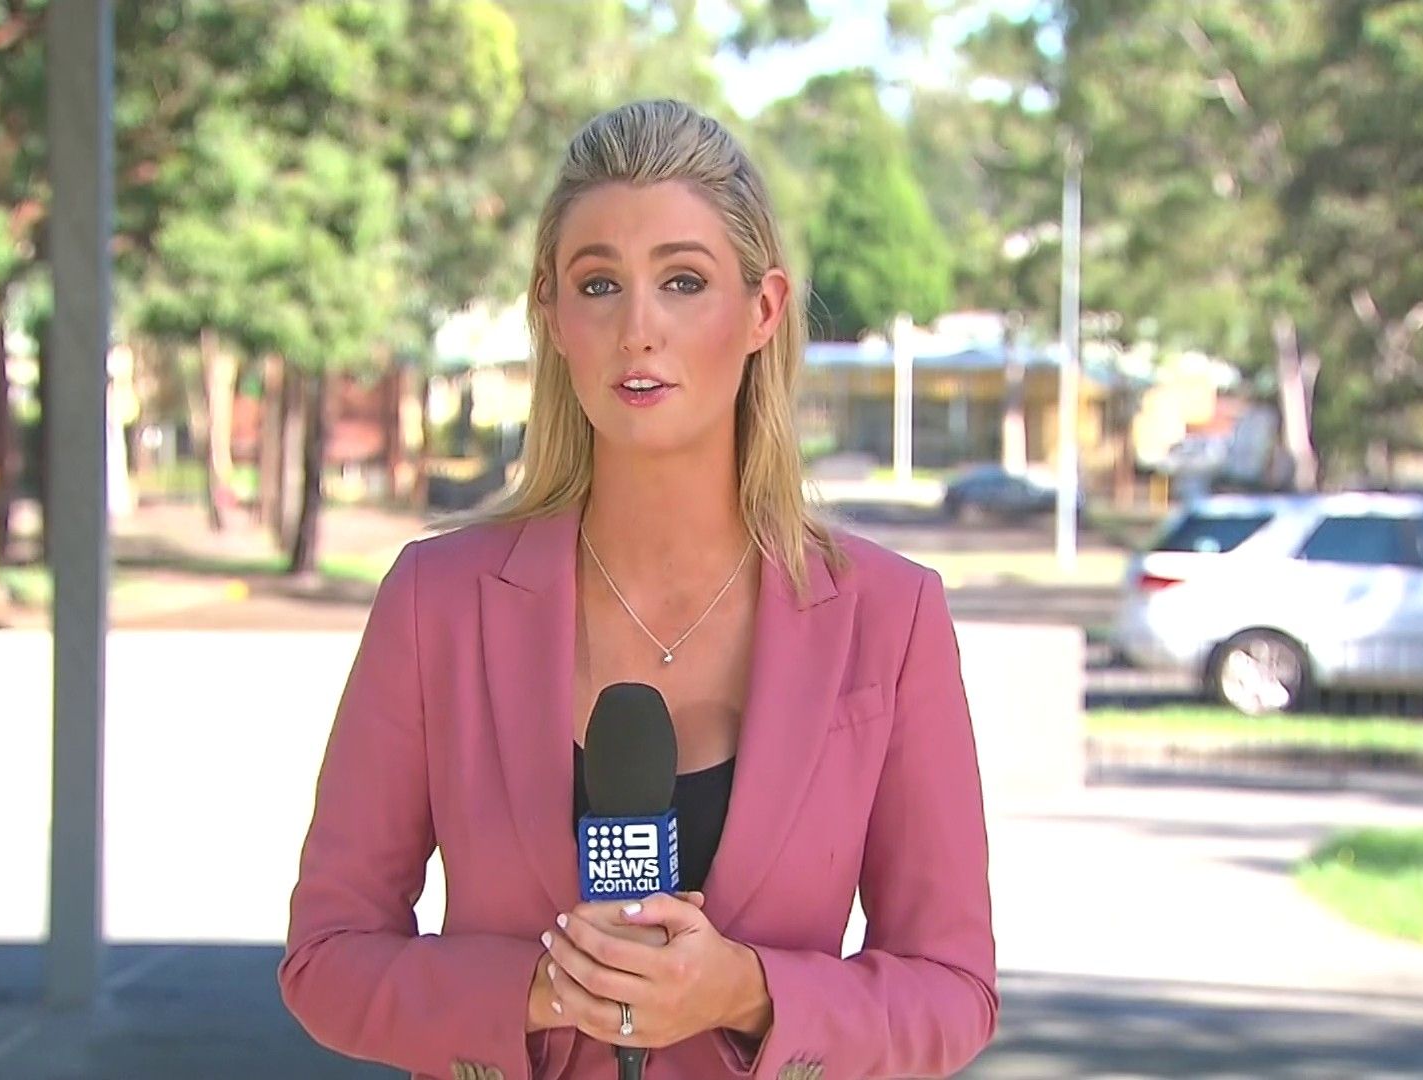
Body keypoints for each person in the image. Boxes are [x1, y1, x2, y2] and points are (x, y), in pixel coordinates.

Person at [279, 98, 997, 1080]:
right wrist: (546, 991)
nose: (637, 328)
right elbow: (327, 960)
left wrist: (746, 992)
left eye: (683, 281)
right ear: (552, 314)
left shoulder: (888, 616)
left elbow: (953, 992)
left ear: (763, 310)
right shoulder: (434, 602)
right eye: (599, 284)